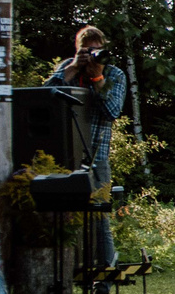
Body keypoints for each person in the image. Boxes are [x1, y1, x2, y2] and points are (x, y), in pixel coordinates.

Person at [50, 26, 128, 266]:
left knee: (99, 221)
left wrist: (97, 78)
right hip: (64, 156)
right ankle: (67, 278)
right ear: (78, 51)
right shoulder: (68, 68)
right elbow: (43, 98)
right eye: (88, 51)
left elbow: (112, 111)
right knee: (60, 218)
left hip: (97, 157)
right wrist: (72, 68)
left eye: (98, 50)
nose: (94, 55)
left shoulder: (114, 74)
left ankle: (102, 287)